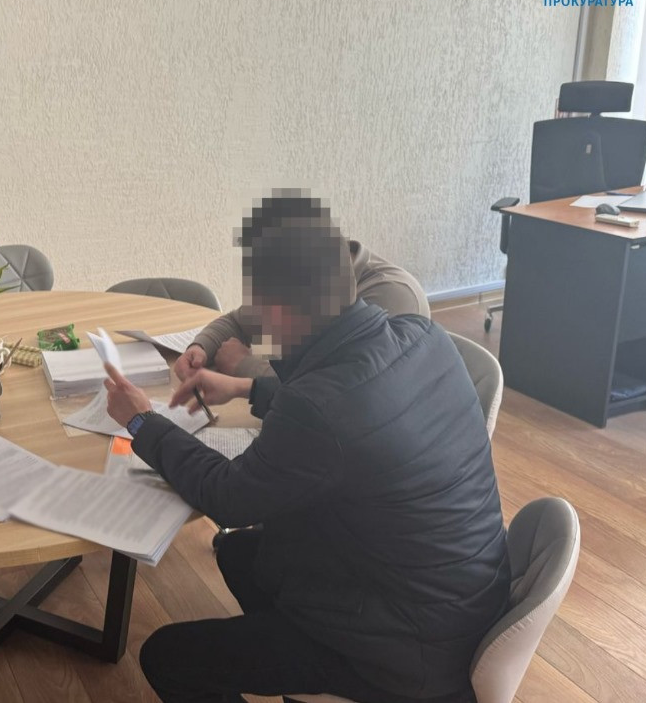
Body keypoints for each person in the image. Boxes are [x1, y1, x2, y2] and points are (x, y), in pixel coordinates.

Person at [102, 193, 509, 703]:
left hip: (407, 657)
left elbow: (228, 496)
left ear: (279, 310)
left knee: (166, 656)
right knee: (241, 555)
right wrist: (248, 387)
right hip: (460, 604)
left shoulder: (319, 409)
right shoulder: (422, 334)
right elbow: (352, 407)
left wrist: (141, 420)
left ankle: (320, 672)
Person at [175, 237, 429, 381]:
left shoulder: (391, 297)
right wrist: (201, 347)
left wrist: (243, 365)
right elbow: (237, 321)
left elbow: (331, 389)